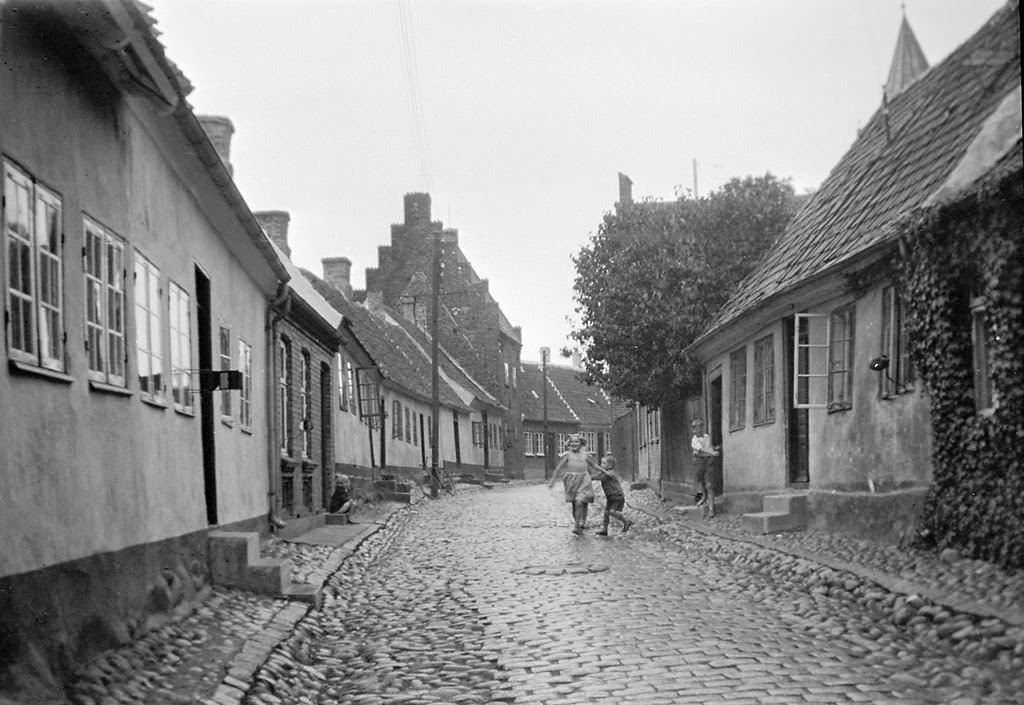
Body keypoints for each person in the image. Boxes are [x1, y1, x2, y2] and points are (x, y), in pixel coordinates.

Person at [547, 434, 603, 534]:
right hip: (571, 480)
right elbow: (559, 468)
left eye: (576, 442)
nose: (574, 443)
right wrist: (553, 480)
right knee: (575, 503)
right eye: (572, 442)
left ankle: (579, 525)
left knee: (580, 501)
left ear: (581, 443)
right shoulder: (567, 455)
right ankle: (578, 522)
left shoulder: (586, 455)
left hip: (584, 479)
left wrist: (603, 471)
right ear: (570, 443)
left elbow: (593, 465)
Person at [591, 453, 633, 536]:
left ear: (610, 466)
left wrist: (598, 470)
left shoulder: (611, 473)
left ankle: (626, 521)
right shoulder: (603, 474)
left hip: (617, 496)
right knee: (606, 512)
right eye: (601, 463)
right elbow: (594, 476)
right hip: (610, 497)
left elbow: (604, 475)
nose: (601, 465)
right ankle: (604, 529)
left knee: (612, 511)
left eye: (604, 463)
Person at [691, 420, 720, 518]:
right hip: (699, 462)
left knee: (709, 484)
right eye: (693, 428)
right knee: (702, 481)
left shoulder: (707, 437)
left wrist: (713, 450)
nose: (695, 431)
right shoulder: (694, 440)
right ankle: (704, 496)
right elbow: (701, 450)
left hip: (708, 462)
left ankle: (711, 508)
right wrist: (711, 453)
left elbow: (708, 448)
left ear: (702, 428)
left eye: (697, 428)